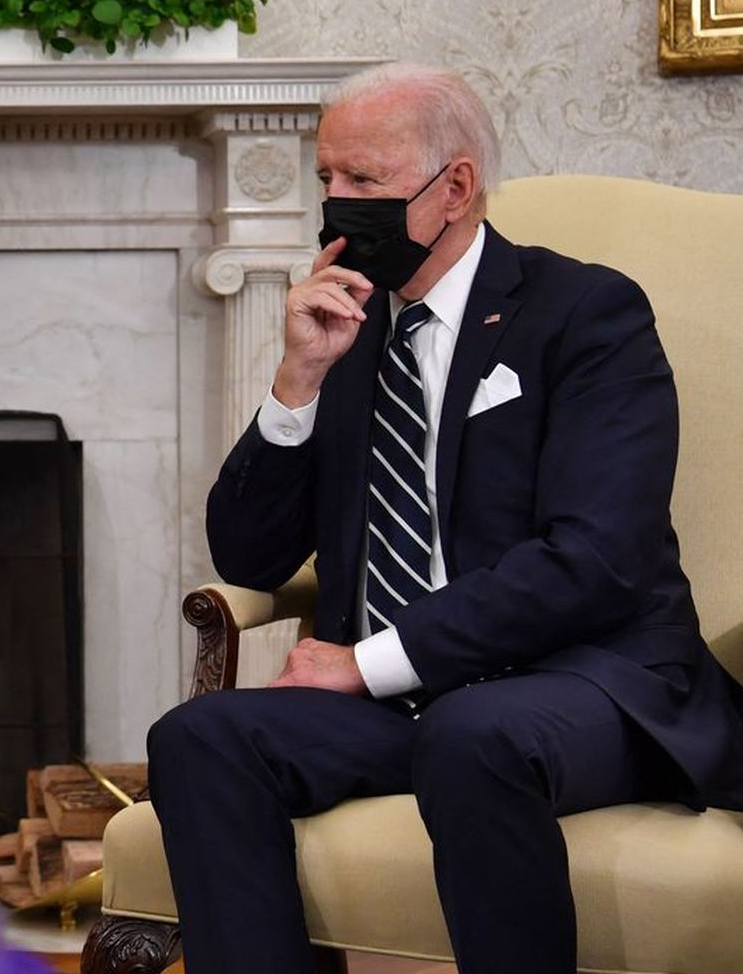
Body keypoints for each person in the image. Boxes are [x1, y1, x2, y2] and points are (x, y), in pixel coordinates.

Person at [147, 62, 743, 973]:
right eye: (326, 181)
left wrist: (366, 661)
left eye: (365, 182)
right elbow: (251, 553)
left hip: (585, 683)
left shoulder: (587, 312)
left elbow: (595, 558)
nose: (338, 205)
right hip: (409, 699)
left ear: (455, 187)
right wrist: (296, 382)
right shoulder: (346, 329)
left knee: (478, 734)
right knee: (198, 736)